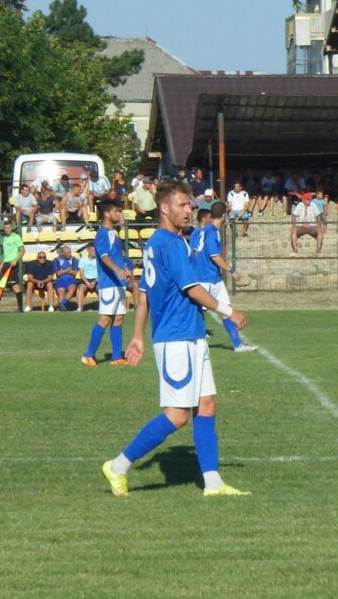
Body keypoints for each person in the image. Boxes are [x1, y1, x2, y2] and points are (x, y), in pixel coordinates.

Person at [101, 180, 250, 499]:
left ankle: (212, 484)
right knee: (178, 415)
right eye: (183, 205)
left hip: (190, 334)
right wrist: (228, 311)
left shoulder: (155, 243)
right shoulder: (171, 243)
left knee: (207, 405)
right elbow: (191, 288)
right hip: (176, 339)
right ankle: (118, 466)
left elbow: (143, 295)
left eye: (190, 205)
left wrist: (138, 336)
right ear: (165, 207)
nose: (190, 210)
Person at [191, 202, 256, 353]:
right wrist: (232, 271)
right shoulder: (213, 232)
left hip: (213, 278)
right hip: (206, 279)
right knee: (197, 313)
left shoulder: (199, 232)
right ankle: (192, 343)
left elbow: (194, 253)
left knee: (227, 310)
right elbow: (214, 257)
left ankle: (238, 345)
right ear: (224, 215)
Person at [82, 202, 132, 366]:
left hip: (119, 283)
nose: (119, 214)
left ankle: (116, 357)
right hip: (109, 284)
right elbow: (104, 257)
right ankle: (88, 355)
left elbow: (115, 256)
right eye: (116, 211)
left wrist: (124, 268)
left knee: (119, 319)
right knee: (104, 319)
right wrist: (117, 270)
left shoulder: (113, 233)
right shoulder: (102, 234)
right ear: (106, 214)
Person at [0, 219, 24, 312]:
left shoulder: (16, 237)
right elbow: (6, 254)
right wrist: (1, 264)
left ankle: (20, 308)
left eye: (9, 228)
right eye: (5, 228)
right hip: (5, 264)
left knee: (15, 286)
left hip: (12, 265)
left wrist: (16, 260)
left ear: (12, 228)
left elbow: (22, 250)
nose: (7, 229)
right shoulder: (4, 238)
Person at [52, 245, 79, 310]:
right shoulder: (56, 260)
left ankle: (62, 304)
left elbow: (74, 272)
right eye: (68, 253)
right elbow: (58, 273)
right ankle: (62, 308)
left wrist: (63, 271)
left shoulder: (73, 259)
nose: (70, 254)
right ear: (62, 253)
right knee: (61, 292)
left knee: (72, 288)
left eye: (70, 252)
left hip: (70, 280)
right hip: (60, 280)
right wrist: (69, 269)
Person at [75, 246, 98, 311]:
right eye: (93, 250)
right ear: (88, 250)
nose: (94, 252)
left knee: (101, 289)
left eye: (95, 251)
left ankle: (102, 308)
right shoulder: (82, 260)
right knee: (81, 288)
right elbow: (81, 275)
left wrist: (94, 282)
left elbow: (101, 274)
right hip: (85, 280)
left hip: (96, 279)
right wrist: (87, 283)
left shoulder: (99, 260)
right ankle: (79, 308)